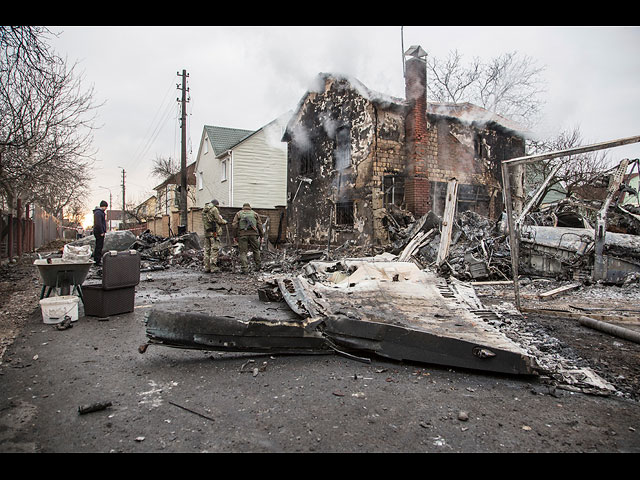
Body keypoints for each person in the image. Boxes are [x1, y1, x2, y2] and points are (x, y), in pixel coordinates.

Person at [232, 203, 263, 273]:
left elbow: (234, 225)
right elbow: (260, 225)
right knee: (256, 250)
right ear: (250, 207)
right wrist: (262, 236)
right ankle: (258, 267)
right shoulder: (255, 214)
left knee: (243, 252)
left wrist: (235, 236)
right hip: (254, 235)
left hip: (242, 235)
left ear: (243, 207)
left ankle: (245, 269)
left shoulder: (239, 214)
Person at [202, 199, 227, 273]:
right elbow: (219, 220)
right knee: (214, 249)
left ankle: (207, 267)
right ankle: (213, 267)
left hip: (207, 232)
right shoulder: (214, 209)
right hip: (214, 233)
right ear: (216, 205)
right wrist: (224, 221)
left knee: (207, 250)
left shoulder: (205, 209)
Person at [93, 200, 108, 266]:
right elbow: (98, 223)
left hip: (98, 231)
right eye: (106, 207)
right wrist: (101, 231)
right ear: (103, 206)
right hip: (99, 232)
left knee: (99, 246)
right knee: (99, 246)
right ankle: (97, 261)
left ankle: (97, 260)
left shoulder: (98, 212)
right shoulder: (99, 213)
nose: (106, 208)